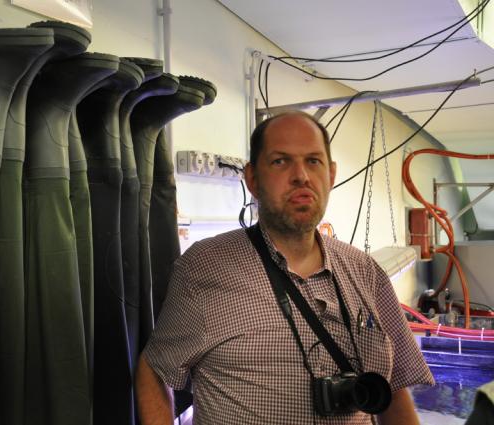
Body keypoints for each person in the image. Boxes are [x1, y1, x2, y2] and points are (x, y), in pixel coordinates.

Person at [135, 111, 434, 424]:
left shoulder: (365, 272)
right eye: (281, 161)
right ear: (252, 179)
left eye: (313, 161)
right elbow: (154, 369)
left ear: (331, 175)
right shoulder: (207, 266)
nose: (301, 175)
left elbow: (395, 387)